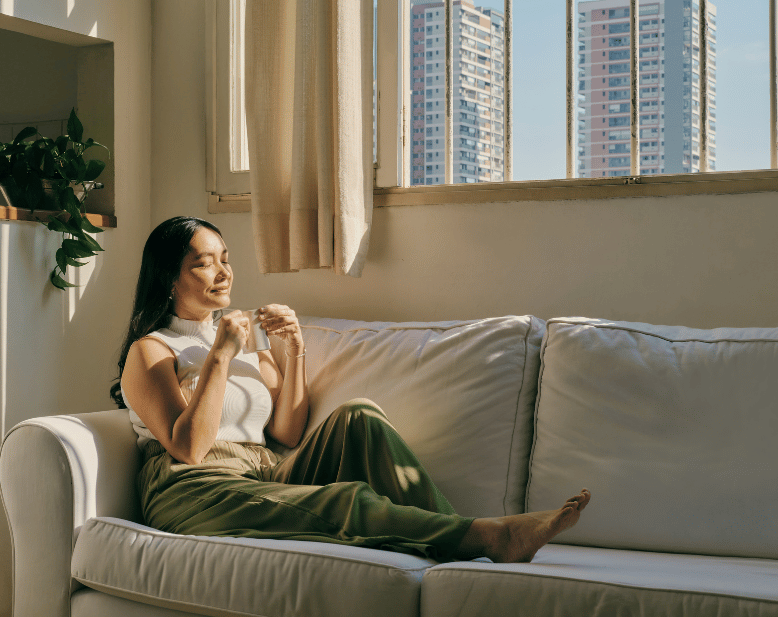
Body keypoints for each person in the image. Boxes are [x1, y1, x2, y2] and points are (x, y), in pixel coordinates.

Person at [111, 216, 590, 562]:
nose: (224, 272)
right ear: (170, 278)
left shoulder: (242, 334)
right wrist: (219, 355)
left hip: (264, 469)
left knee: (359, 415)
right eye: (203, 264)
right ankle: (489, 539)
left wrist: (293, 347)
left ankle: (460, 545)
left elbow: (288, 431)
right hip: (194, 489)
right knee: (344, 499)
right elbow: (189, 448)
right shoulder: (151, 350)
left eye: (226, 260)